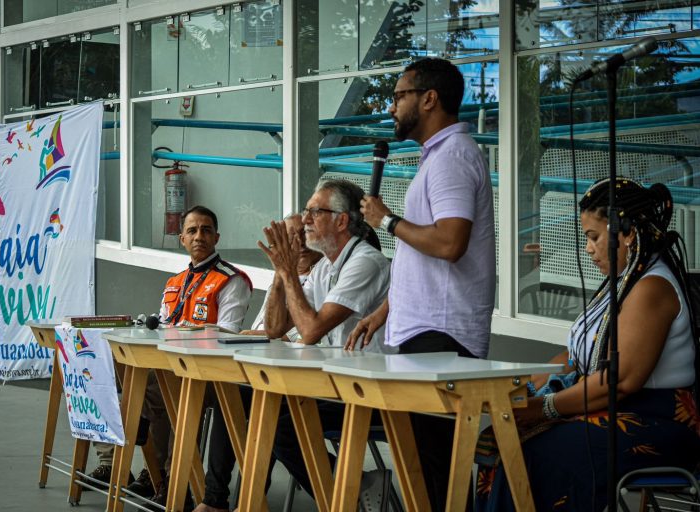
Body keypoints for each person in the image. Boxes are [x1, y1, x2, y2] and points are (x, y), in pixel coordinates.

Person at [475, 178, 700, 511]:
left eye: (594, 238)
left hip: (653, 419)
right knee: (497, 438)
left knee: (536, 453)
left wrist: (542, 407)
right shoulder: (623, 282)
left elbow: (620, 382)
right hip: (608, 408)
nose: (589, 249)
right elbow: (575, 356)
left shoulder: (652, 287)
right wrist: (519, 387)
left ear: (627, 233)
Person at [349, 57, 495, 509]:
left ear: (429, 99)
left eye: (398, 96)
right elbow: (423, 258)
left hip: (442, 333)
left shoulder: (451, 158)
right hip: (425, 328)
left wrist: (386, 220)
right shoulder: (438, 156)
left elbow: (450, 243)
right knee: (425, 463)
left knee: (436, 467)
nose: (390, 107)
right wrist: (384, 311)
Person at [259, 179, 394, 503]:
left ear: (341, 220)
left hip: (377, 391)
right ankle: (354, 489)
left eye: (314, 212)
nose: (305, 220)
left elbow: (310, 331)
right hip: (340, 386)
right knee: (264, 414)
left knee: (282, 428)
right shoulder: (325, 269)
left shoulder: (365, 261)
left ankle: (349, 495)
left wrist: (289, 272)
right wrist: (281, 272)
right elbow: (275, 328)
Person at [193, 213, 322, 512]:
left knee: (268, 408)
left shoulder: (325, 272)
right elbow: (264, 327)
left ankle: (251, 502)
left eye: (303, 235)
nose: (297, 244)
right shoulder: (281, 276)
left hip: (308, 376)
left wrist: (270, 336)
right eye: (289, 238)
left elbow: (301, 334)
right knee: (231, 395)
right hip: (270, 371)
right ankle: (215, 499)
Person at [129, 205, 253, 508]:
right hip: (173, 370)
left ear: (217, 237)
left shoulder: (232, 279)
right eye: (193, 230)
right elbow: (161, 327)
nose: (200, 236)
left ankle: (175, 482)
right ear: (182, 238)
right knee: (138, 383)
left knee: (161, 390)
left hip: (213, 376)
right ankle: (159, 474)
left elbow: (228, 333)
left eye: (206, 230)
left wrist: (189, 330)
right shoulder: (174, 281)